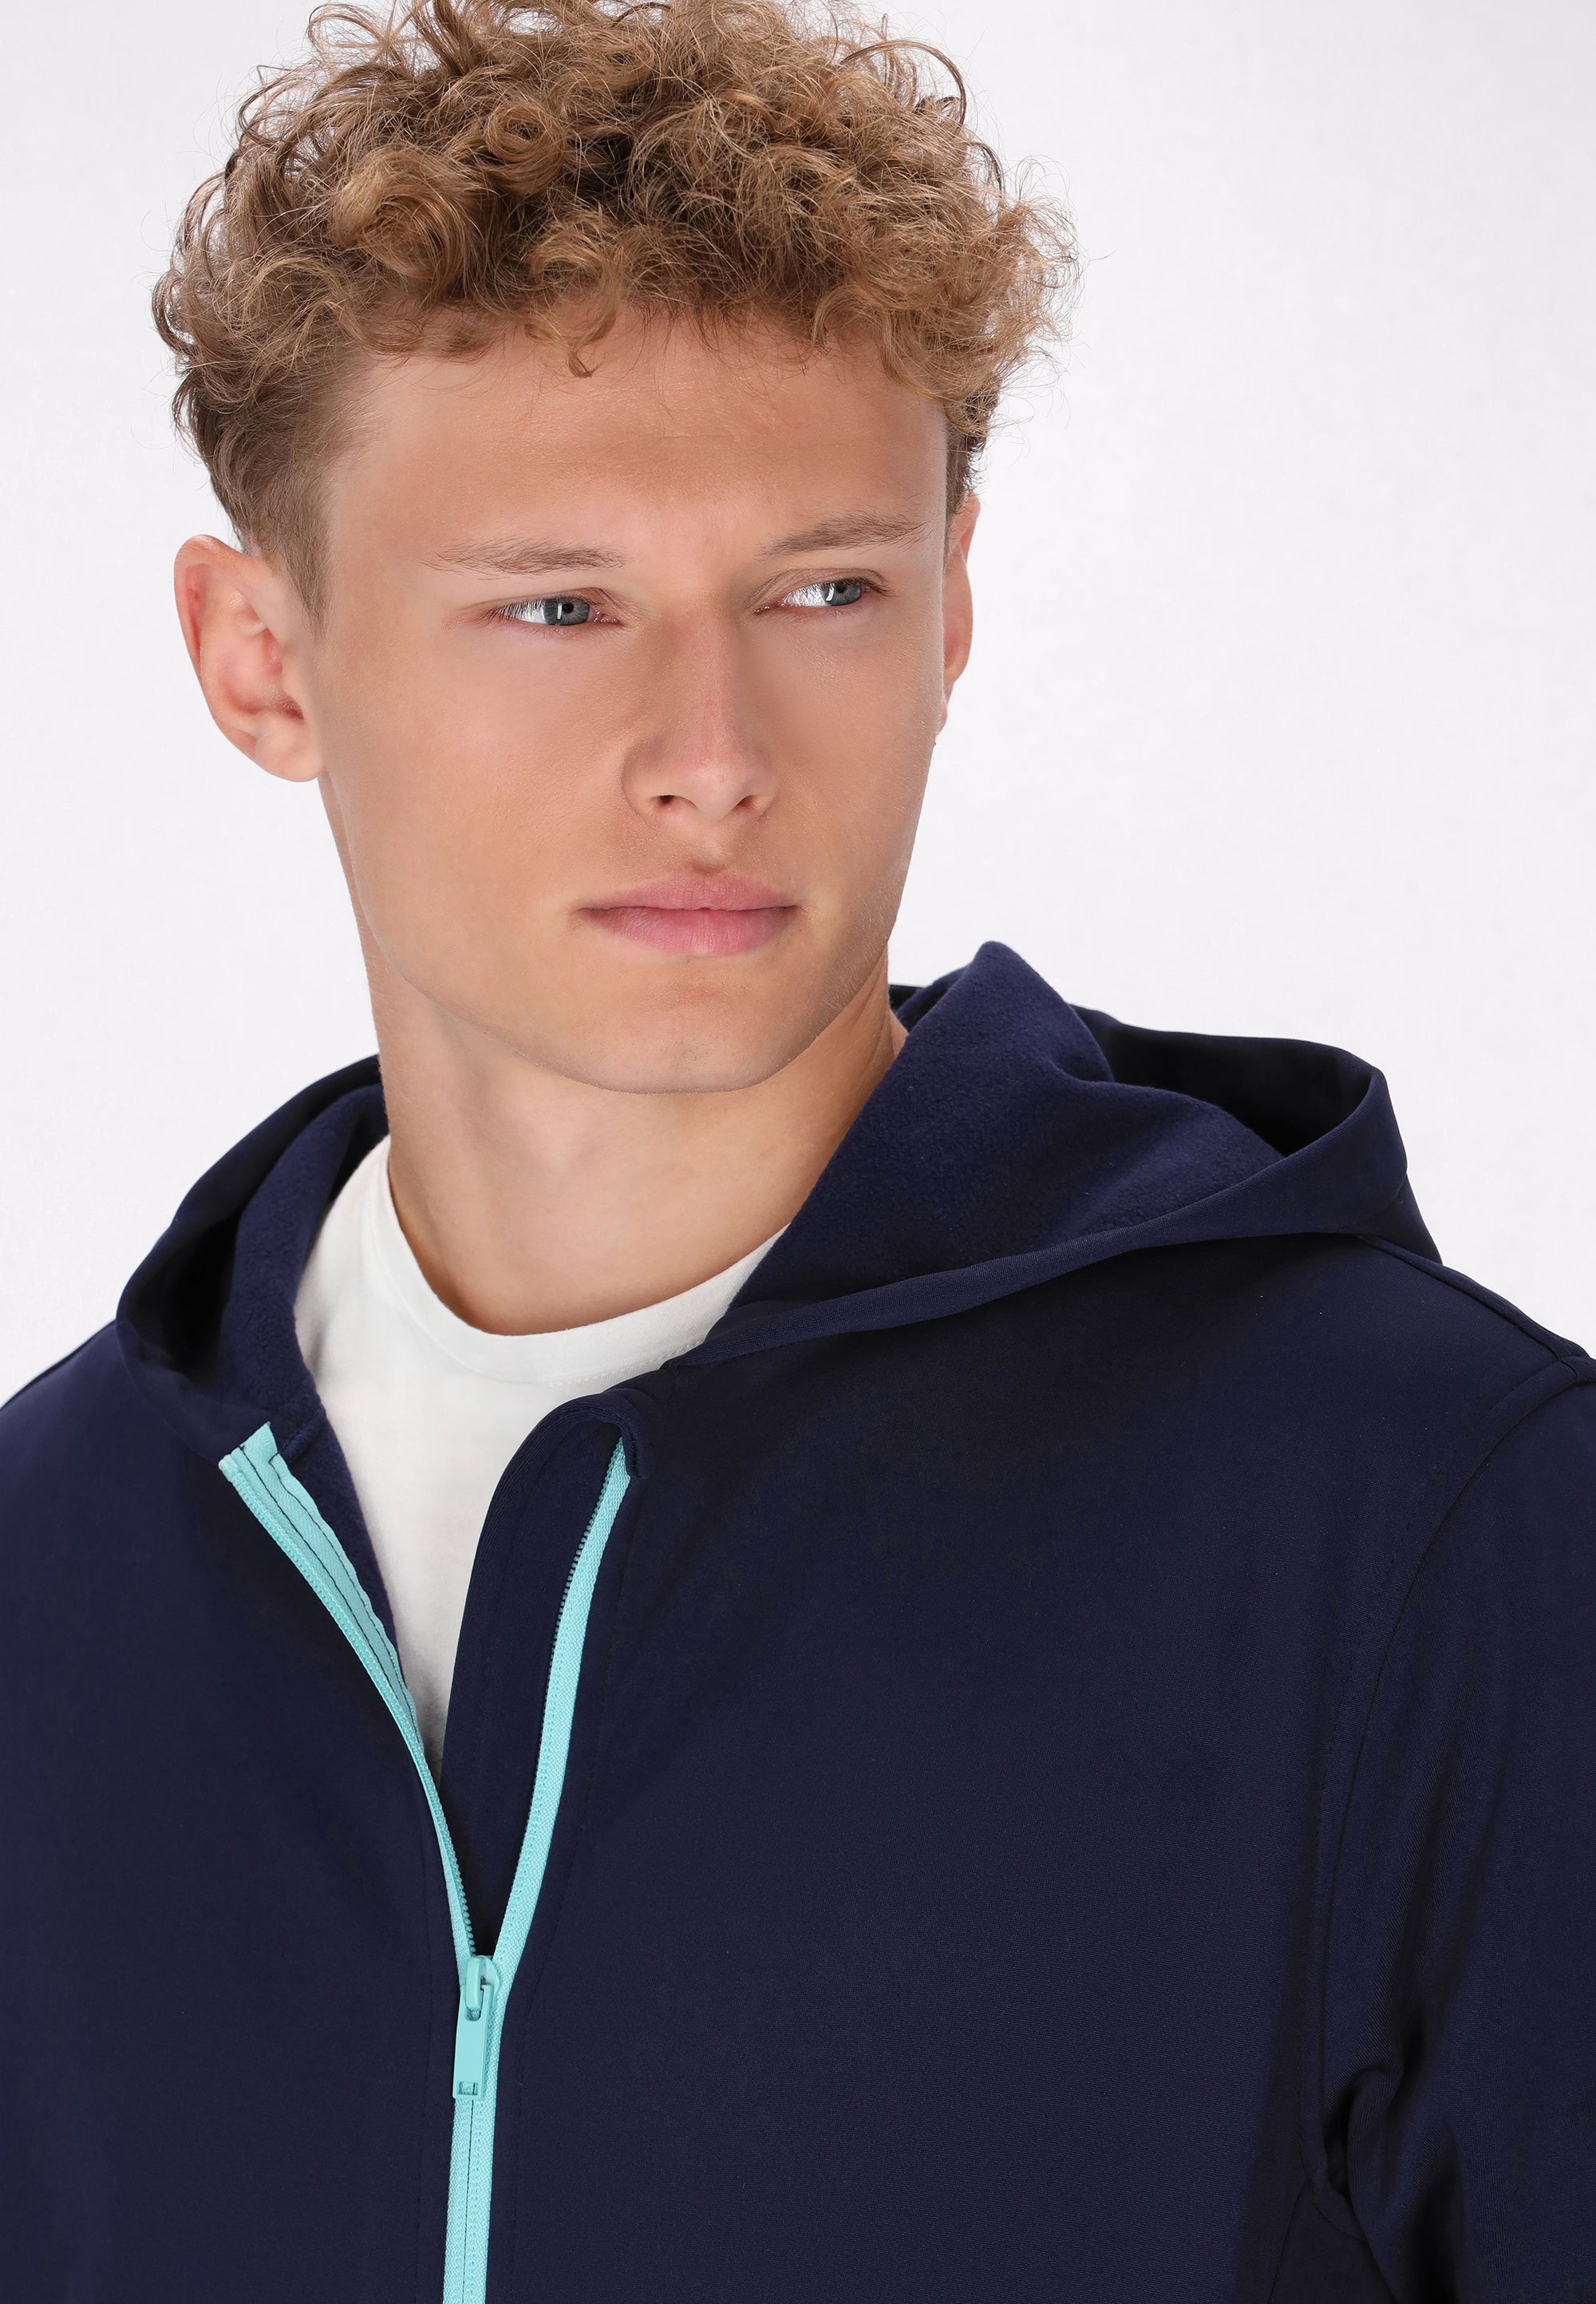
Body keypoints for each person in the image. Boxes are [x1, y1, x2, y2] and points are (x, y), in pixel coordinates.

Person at [2, 0, 1592, 2294]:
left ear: (955, 608)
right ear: (261, 656)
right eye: (559, 606)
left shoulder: (1421, 1519)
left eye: (824, 590)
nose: (715, 753)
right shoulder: (54, 1580)